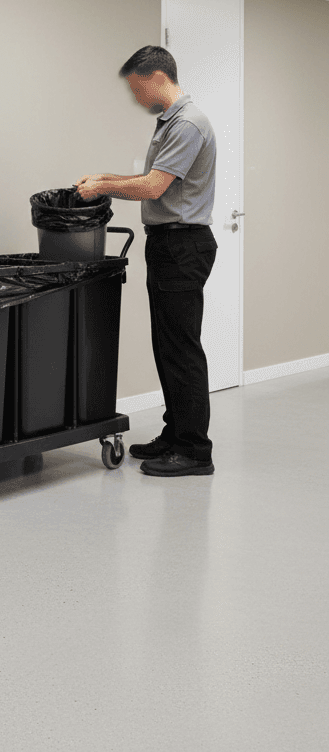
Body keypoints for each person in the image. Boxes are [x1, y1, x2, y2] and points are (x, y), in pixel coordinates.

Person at [76, 45, 218, 477]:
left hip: (183, 245)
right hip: (168, 244)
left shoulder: (189, 124)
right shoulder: (171, 124)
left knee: (182, 349)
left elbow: (154, 187)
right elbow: (148, 179)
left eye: (137, 89)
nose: (136, 99)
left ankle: (194, 450)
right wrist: (105, 177)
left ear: (156, 77)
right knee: (167, 346)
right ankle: (174, 435)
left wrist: (103, 188)